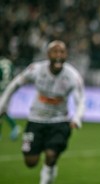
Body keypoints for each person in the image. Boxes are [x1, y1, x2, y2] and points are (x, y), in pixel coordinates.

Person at [0, 40, 85, 184]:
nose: (58, 55)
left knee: (51, 155)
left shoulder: (72, 76)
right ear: (48, 54)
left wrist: (77, 118)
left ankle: (46, 179)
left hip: (59, 121)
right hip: (35, 120)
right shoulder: (36, 70)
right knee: (30, 161)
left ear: (66, 55)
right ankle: (48, 167)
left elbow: (80, 100)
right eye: (55, 52)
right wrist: (2, 105)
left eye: (62, 52)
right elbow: (14, 84)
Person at [0, 56, 21, 140]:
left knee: (2, 111)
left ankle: (14, 127)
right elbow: (13, 76)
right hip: (9, 89)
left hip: (1, 89)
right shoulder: (9, 63)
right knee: (2, 111)